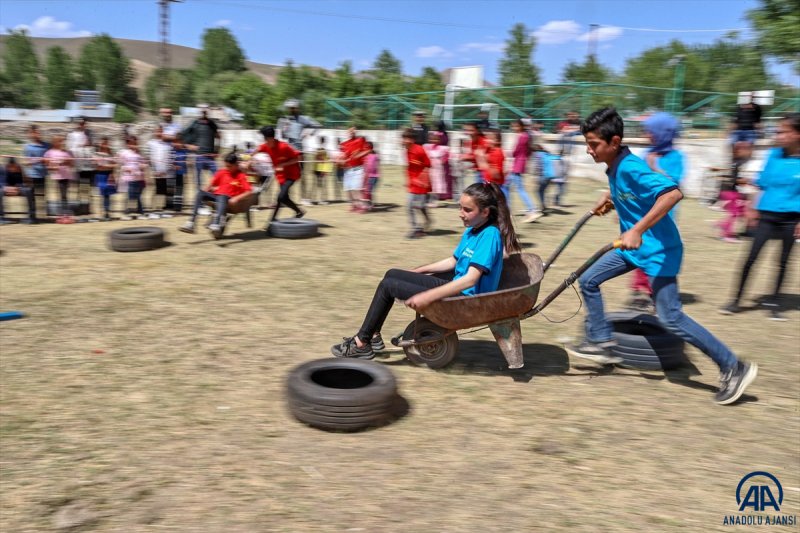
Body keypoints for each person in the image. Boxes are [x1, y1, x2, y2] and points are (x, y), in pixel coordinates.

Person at [566, 107, 757, 406]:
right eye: (587, 144)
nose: (589, 150)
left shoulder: (629, 166)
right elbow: (634, 196)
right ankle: (603, 342)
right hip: (637, 251)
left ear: (614, 142)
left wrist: (637, 230)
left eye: (593, 144)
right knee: (588, 279)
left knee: (671, 318)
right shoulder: (616, 167)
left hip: (658, 252)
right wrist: (611, 198)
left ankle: (733, 366)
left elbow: (672, 193)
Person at [330, 181, 520, 359]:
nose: (460, 213)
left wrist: (427, 297)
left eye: (467, 209)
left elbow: (470, 280)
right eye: (460, 207)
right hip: (457, 288)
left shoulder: (490, 235)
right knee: (392, 274)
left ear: (485, 212)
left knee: (389, 285)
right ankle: (372, 335)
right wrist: (419, 271)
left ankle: (361, 343)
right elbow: (454, 261)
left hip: (467, 300)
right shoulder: (473, 228)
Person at [719, 113, 800, 321]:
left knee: (783, 262)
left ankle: (775, 304)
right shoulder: (773, 155)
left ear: (797, 134)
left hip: (791, 218)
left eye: (783, 131)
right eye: (778, 131)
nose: (778, 135)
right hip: (767, 215)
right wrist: (752, 208)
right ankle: (736, 300)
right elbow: (761, 184)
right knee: (750, 259)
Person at [626, 112, 686, 312]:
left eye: (650, 131)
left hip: (663, 214)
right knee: (640, 249)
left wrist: (655, 168)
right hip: (643, 212)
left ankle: (657, 294)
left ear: (663, 132)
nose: (647, 135)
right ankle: (640, 291)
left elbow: (672, 185)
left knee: (657, 253)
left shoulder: (676, 157)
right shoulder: (647, 153)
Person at [180, 152, 253, 238]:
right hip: (217, 196)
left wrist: (236, 198)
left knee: (222, 195)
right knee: (200, 193)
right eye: (226, 166)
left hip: (228, 199)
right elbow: (210, 185)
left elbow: (249, 191)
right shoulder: (222, 172)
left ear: (236, 165)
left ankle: (216, 223)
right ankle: (191, 223)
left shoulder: (241, 175)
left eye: (229, 166)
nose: (227, 168)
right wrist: (205, 192)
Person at [257, 126, 305, 226]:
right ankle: (299, 212)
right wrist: (249, 159)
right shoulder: (266, 146)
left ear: (271, 138)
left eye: (265, 138)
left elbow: (298, 158)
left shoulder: (284, 147)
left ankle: (272, 219)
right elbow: (257, 150)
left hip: (292, 174)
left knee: (281, 196)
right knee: (284, 198)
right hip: (281, 176)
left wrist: (283, 164)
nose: (264, 140)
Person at [279, 99, 320, 206]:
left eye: (293, 108)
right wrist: (284, 130)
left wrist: (308, 133)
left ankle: (304, 198)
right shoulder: (286, 120)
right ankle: (285, 198)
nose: (291, 110)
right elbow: (283, 136)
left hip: (299, 151)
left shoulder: (303, 119)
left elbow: (317, 125)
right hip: (288, 151)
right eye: (289, 108)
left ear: (297, 108)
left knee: (301, 175)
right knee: (287, 176)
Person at [716, 141, 754, 243]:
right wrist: (749, 181)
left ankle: (722, 225)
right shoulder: (739, 163)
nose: (749, 152)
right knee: (734, 214)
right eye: (746, 149)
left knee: (740, 212)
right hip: (731, 193)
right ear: (738, 151)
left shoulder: (737, 162)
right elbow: (736, 179)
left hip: (734, 192)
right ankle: (726, 234)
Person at [507, 119, 542, 223]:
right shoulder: (526, 136)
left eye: (516, 126)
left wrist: (511, 154)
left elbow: (516, 151)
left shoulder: (522, 136)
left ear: (521, 126)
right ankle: (509, 210)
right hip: (520, 163)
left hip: (517, 164)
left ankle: (532, 210)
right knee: (507, 186)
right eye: (513, 126)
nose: (514, 128)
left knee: (519, 189)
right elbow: (528, 151)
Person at [181, 105, 220, 190]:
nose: (204, 112)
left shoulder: (212, 124)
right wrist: (188, 145)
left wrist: (216, 151)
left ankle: (215, 196)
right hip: (199, 156)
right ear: (199, 111)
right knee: (198, 180)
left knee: (217, 177)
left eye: (206, 110)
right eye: (202, 110)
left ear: (208, 111)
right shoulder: (194, 123)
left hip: (210, 157)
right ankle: (199, 197)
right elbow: (182, 134)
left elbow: (218, 137)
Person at [403, 128, 432, 239]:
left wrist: (423, 180)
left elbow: (428, 164)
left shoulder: (419, 150)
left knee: (420, 206)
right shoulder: (407, 151)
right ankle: (416, 229)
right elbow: (410, 167)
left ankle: (427, 220)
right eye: (404, 138)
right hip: (413, 183)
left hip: (421, 184)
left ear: (413, 139)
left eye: (408, 138)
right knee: (410, 206)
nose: (406, 140)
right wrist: (409, 180)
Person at [44, 135, 76, 224]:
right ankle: (62, 214)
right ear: (55, 142)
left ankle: (65, 214)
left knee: (64, 195)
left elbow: (72, 164)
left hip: (66, 176)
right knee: (60, 196)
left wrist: (66, 162)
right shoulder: (50, 152)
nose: (62, 143)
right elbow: (47, 165)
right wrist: (54, 166)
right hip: (56, 177)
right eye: (60, 141)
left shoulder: (68, 152)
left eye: (63, 141)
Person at [146, 126, 174, 219]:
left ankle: (161, 210)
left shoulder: (168, 146)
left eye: (161, 131)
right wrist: (154, 171)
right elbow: (148, 158)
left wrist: (165, 171)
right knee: (155, 190)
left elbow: (170, 159)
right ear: (154, 132)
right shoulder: (150, 143)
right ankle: (153, 211)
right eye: (158, 131)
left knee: (163, 191)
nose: (159, 133)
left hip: (165, 173)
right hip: (155, 172)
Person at [117, 135, 147, 221]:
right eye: (131, 142)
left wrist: (143, 167)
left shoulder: (139, 153)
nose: (134, 144)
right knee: (131, 195)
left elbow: (143, 163)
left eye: (135, 142)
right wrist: (128, 169)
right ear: (128, 143)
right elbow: (121, 165)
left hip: (139, 177)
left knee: (137, 196)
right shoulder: (123, 152)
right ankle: (130, 213)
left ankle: (138, 212)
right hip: (129, 178)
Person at [339, 127, 369, 212]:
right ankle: (353, 205)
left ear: (356, 132)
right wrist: (340, 160)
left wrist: (358, 155)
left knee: (356, 189)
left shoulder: (360, 140)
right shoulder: (344, 144)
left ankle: (362, 206)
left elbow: (367, 151)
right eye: (350, 132)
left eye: (353, 131)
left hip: (358, 169)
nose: (351, 133)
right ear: (347, 133)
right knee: (348, 189)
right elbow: (342, 156)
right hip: (347, 170)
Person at [0, 158, 37, 224]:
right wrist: (6, 187)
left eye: (14, 166)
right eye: (10, 167)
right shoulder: (2, 169)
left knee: (29, 190)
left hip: (18, 189)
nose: (12, 168)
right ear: (7, 166)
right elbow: (1, 182)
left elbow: (23, 183)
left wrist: (17, 188)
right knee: (0, 192)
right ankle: (1, 217)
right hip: (5, 189)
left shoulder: (19, 169)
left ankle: (32, 217)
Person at [22, 125, 49, 212]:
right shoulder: (28, 147)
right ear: (31, 134)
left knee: (42, 195)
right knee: (31, 195)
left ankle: (42, 214)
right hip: (31, 174)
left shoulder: (46, 145)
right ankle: (32, 214)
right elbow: (26, 162)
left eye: (39, 132)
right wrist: (38, 160)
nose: (39, 134)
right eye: (36, 132)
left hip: (42, 174)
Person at [94, 137, 117, 221]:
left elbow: (115, 164)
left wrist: (109, 169)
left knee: (108, 195)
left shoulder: (111, 153)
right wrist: (109, 166)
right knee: (101, 194)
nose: (105, 145)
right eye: (103, 143)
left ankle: (107, 212)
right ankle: (101, 212)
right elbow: (98, 166)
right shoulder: (97, 153)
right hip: (100, 175)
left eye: (106, 143)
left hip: (109, 175)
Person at [423, 132, 448, 207]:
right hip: (430, 168)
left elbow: (447, 155)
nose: (434, 141)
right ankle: (430, 200)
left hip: (438, 169)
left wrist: (442, 161)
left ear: (439, 140)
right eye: (432, 139)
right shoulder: (428, 147)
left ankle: (435, 201)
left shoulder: (442, 148)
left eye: (436, 139)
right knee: (430, 184)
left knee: (437, 185)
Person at [476, 129, 506, 193]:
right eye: (486, 138)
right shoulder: (491, 151)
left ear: (497, 141)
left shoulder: (497, 153)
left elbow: (496, 174)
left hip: (494, 186)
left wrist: (483, 160)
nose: (486, 140)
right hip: (490, 184)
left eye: (490, 138)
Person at [361, 141, 380, 212]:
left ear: (371, 148)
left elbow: (374, 166)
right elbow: (365, 167)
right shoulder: (366, 157)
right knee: (367, 191)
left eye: (367, 148)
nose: (366, 149)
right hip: (367, 176)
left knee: (369, 191)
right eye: (365, 148)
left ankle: (369, 205)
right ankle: (369, 204)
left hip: (374, 176)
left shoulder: (375, 156)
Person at [313, 136, 332, 205]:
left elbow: (325, 160)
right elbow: (325, 160)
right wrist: (325, 170)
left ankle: (319, 200)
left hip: (319, 169)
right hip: (320, 169)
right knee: (321, 185)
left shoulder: (318, 149)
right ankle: (320, 200)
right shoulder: (323, 150)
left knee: (320, 185)